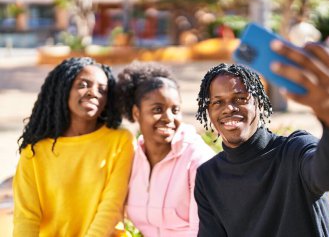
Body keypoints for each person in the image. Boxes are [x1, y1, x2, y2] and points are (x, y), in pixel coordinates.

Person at [194, 40, 329, 236]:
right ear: (209, 112)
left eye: (240, 99)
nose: (229, 108)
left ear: (260, 104)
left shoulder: (295, 152)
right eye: (218, 102)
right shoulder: (208, 176)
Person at [13, 57, 135, 237]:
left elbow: (111, 207)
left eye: (102, 90)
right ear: (64, 89)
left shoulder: (120, 141)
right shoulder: (34, 151)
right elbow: (26, 217)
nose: (94, 93)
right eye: (83, 84)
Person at [116, 61, 214, 237]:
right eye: (157, 109)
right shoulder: (132, 157)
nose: (169, 118)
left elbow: (203, 230)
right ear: (136, 113)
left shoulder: (197, 158)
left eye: (175, 110)